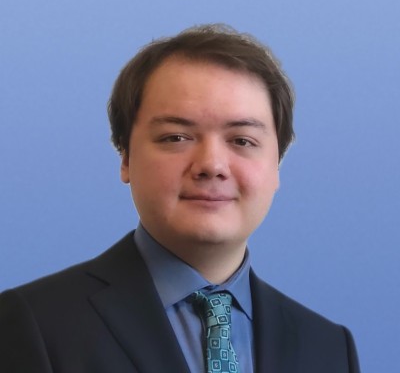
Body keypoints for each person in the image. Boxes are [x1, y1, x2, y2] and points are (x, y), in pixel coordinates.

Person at [0, 24, 360, 373]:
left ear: (276, 166)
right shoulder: (35, 324)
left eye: (242, 141)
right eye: (176, 137)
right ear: (125, 157)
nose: (212, 165)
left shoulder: (329, 348)